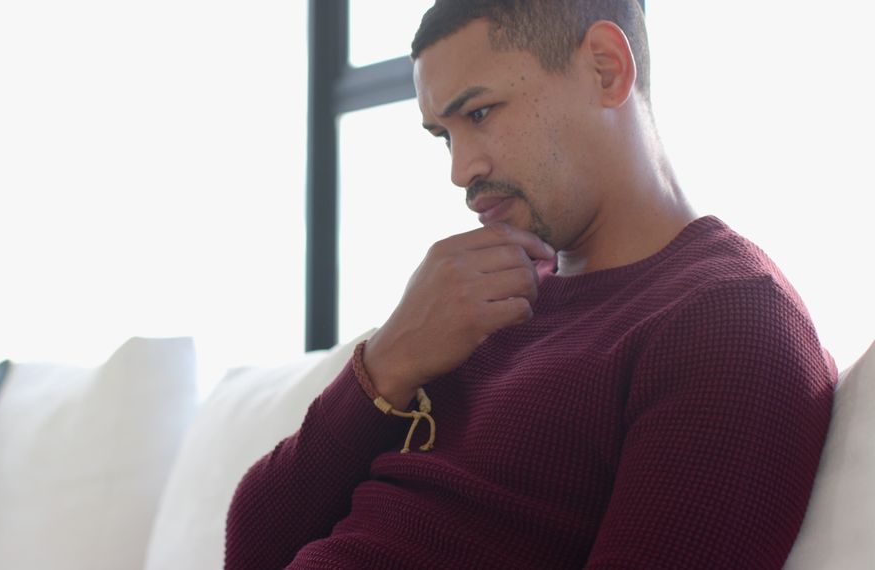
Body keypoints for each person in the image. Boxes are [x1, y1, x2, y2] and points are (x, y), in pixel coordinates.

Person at [225, 1, 836, 568]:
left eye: (480, 113)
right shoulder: (470, 302)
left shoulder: (729, 319)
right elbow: (251, 549)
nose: (460, 169)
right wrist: (385, 364)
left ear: (605, 69)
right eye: (444, 135)